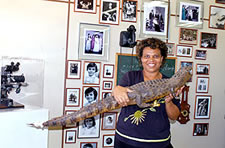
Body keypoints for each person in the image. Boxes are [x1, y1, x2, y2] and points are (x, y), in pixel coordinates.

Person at [112, 38, 184, 148]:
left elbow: (174, 116)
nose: (151, 60)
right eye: (146, 56)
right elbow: (119, 97)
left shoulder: (171, 83)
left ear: (162, 59)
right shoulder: (130, 77)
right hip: (126, 140)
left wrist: (168, 102)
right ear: (141, 59)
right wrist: (117, 89)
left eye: (155, 56)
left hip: (158, 142)